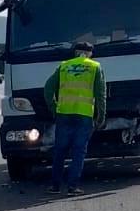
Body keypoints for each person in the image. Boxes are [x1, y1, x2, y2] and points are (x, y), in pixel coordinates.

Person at [44, 42, 106, 196]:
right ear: (89, 53)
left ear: (75, 52)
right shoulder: (95, 67)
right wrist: (100, 116)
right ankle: (72, 186)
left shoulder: (64, 66)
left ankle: (55, 186)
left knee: (60, 151)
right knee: (78, 151)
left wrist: (53, 107)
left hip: (64, 114)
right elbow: (100, 95)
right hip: (84, 115)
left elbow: (48, 88)